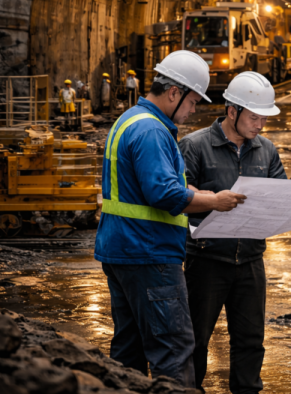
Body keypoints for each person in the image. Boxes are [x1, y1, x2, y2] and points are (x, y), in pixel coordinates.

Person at [94, 50, 246, 388]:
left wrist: (189, 190)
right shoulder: (153, 130)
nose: (193, 110)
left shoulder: (129, 120)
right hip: (149, 253)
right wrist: (214, 201)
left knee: (129, 350)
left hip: (121, 250)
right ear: (174, 93)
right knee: (173, 350)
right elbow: (163, 194)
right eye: (192, 102)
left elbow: (141, 184)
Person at [180, 72, 285, 393]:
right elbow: (177, 193)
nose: (260, 125)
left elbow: (280, 194)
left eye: (264, 119)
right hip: (206, 260)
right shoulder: (195, 145)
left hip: (251, 260)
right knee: (195, 339)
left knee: (251, 340)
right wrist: (211, 199)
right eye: (254, 117)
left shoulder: (266, 150)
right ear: (231, 111)